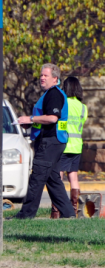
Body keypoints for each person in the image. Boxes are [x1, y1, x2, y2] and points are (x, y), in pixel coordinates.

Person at [12, 64, 75, 219]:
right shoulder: (48, 94)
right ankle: (69, 214)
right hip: (52, 141)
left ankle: (26, 215)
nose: (42, 78)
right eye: (41, 75)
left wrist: (30, 118)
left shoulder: (53, 94)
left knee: (37, 177)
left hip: (51, 142)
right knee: (53, 180)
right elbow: (46, 119)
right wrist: (32, 124)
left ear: (55, 79)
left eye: (45, 76)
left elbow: (52, 118)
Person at [53, 76, 88, 218]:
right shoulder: (83, 107)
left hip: (64, 145)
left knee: (58, 177)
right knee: (73, 177)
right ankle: (74, 211)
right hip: (77, 147)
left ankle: (56, 212)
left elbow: (60, 123)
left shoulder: (63, 103)